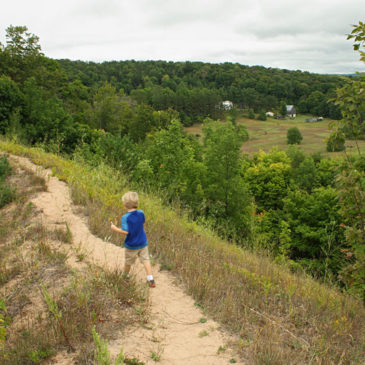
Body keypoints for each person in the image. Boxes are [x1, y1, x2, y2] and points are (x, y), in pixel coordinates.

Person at [110, 191, 155, 287]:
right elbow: (142, 222)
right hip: (143, 242)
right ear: (137, 203)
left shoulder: (125, 217)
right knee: (146, 260)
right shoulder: (141, 213)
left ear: (124, 205)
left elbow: (126, 231)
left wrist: (115, 229)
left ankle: (125, 276)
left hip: (131, 244)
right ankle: (150, 279)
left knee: (128, 262)